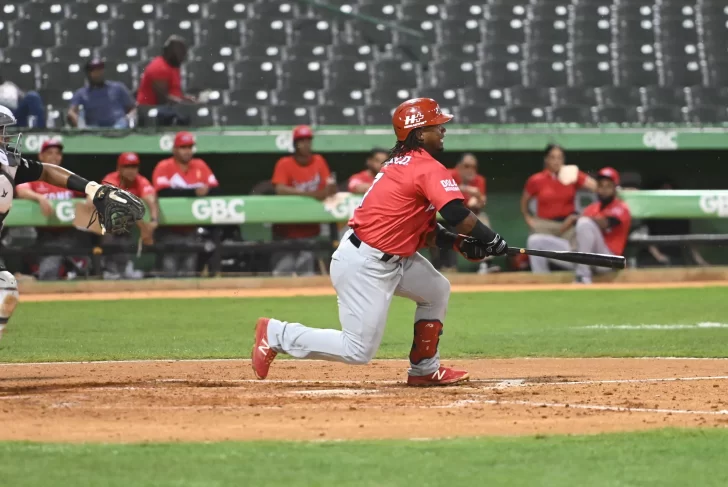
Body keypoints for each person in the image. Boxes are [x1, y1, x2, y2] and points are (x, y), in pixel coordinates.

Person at [252, 98, 509, 386]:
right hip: (366, 263)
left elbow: (419, 228)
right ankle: (277, 334)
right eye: (437, 126)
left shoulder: (402, 164)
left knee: (437, 290)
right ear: (420, 133)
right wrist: (492, 239)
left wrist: (459, 244)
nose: (443, 130)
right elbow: (455, 213)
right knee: (357, 350)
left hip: (391, 257)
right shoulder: (424, 166)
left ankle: (424, 369)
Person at [0, 105, 144, 339]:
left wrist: (90, 187)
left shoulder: (10, 163)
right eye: (1, 131)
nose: (6, 137)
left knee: (6, 288)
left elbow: (46, 172)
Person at [527, 167, 631, 284]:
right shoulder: (592, 208)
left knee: (585, 223)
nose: (604, 190)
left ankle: (583, 277)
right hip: (586, 258)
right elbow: (566, 230)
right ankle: (541, 283)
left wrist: (579, 218)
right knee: (535, 241)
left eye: (608, 186)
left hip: (607, 260)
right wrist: (569, 223)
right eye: (601, 186)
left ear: (615, 188)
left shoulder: (621, 207)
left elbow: (606, 223)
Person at [15, 141, 91, 280]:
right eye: (49, 153)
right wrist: (39, 197)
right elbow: (21, 191)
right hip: (46, 236)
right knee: (49, 272)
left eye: (57, 153)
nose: (54, 156)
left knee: (84, 270)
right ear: (41, 156)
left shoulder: (67, 177)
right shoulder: (32, 175)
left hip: (71, 235)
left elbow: (88, 191)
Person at [270, 125, 337, 276]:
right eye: (302, 141)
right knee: (281, 274)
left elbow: (329, 189)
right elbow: (280, 189)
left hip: (310, 230)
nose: (306, 144)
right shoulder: (284, 163)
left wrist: (309, 194)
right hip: (286, 230)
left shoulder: (319, 161)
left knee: (306, 274)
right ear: (295, 144)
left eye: (308, 140)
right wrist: (312, 194)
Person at [152, 131, 218, 277]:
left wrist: (205, 191)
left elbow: (214, 188)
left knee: (189, 272)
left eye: (189, 147)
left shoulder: (200, 165)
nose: (187, 151)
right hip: (169, 229)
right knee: (169, 271)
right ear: (174, 149)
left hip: (191, 229)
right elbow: (163, 192)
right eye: (183, 147)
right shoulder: (164, 166)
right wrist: (194, 192)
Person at [101, 152, 159, 279]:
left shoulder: (141, 181)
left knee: (126, 235)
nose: (131, 171)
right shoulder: (111, 179)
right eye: (127, 167)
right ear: (119, 168)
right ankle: (107, 268)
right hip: (102, 222)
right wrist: (143, 226)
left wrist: (154, 221)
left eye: (134, 167)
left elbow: (151, 200)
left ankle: (124, 267)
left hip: (125, 226)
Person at [521, 144, 597, 240]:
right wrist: (528, 218)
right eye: (552, 157)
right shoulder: (536, 179)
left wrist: (577, 173)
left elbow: (595, 187)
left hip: (568, 225)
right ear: (546, 159)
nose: (556, 161)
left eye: (559, 158)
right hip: (544, 225)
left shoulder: (572, 174)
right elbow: (524, 201)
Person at [136, 36, 196, 125]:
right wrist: (184, 103)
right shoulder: (159, 67)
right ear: (170, 51)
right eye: (181, 51)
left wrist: (186, 99)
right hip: (152, 110)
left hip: (169, 108)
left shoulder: (173, 66)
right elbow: (162, 99)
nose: (184, 55)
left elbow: (174, 92)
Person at [67, 58, 136, 129]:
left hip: (119, 126)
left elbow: (132, 108)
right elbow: (71, 112)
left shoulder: (118, 87)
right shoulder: (81, 93)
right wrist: (78, 123)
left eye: (100, 69)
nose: (98, 73)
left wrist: (128, 118)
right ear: (88, 73)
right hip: (94, 128)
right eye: (94, 70)